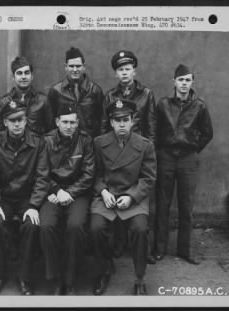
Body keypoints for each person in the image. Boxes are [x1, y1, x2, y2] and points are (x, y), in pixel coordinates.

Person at [90, 99, 156, 296]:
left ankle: (139, 278)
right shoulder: (99, 143)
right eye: (117, 120)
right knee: (96, 228)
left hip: (133, 196)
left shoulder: (145, 145)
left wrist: (132, 197)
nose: (121, 124)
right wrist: (102, 191)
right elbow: (94, 174)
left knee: (140, 229)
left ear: (132, 121)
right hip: (106, 196)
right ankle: (103, 270)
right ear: (111, 122)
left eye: (125, 119)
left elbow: (148, 178)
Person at [152, 64, 213, 265]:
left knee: (186, 206)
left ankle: (185, 250)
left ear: (192, 82)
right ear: (174, 82)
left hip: (188, 159)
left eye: (188, 80)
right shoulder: (163, 104)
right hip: (166, 157)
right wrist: (160, 151)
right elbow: (154, 131)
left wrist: (193, 148)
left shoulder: (200, 106)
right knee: (162, 204)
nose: (184, 84)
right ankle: (159, 249)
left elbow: (207, 133)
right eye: (181, 80)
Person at [0, 99, 49, 296]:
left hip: (26, 198)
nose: (17, 124)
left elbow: (42, 177)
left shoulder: (38, 143)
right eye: (12, 120)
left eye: (20, 119)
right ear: (5, 122)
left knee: (31, 224)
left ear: (26, 121)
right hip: (4, 198)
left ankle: (25, 277)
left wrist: (33, 205)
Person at [101, 51, 158, 263]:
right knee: (116, 193)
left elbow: (151, 127)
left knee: (141, 198)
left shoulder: (147, 94)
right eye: (120, 70)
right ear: (116, 73)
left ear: (134, 71)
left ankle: (144, 247)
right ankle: (119, 243)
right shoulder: (109, 96)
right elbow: (105, 126)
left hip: (139, 153)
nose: (124, 73)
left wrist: (149, 151)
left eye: (127, 69)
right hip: (117, 151)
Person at [40, 105, 95, 295]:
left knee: (76, 226)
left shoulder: (85, 141)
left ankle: (70, 279)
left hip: (77, 193)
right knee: (46, 225)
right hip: (52, 193)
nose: (69, 126)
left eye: (73, 122)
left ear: (78, 123)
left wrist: (70, 192)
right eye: (65, 122)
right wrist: (55, 190)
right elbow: (40, 172)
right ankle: (55, 278)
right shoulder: (46, 141)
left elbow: (89, 174)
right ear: (57, 122)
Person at [47, 47, 104, 138]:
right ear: (66, 67)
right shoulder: (56, 91)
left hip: (89, 143)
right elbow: (50, 122)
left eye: (78, 66)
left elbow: (102, 120)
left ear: (84, 67)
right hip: (64, 144)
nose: (74, 69)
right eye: (71, 66)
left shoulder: (95, 90)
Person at [0, 56, 53, 135]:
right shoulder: (4, 101)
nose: (23, 77)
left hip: (37, 146)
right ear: (13, 77)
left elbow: (50, 132)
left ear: (32, 76)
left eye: (26, 73)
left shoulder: (43, 101)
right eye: (19, 73)